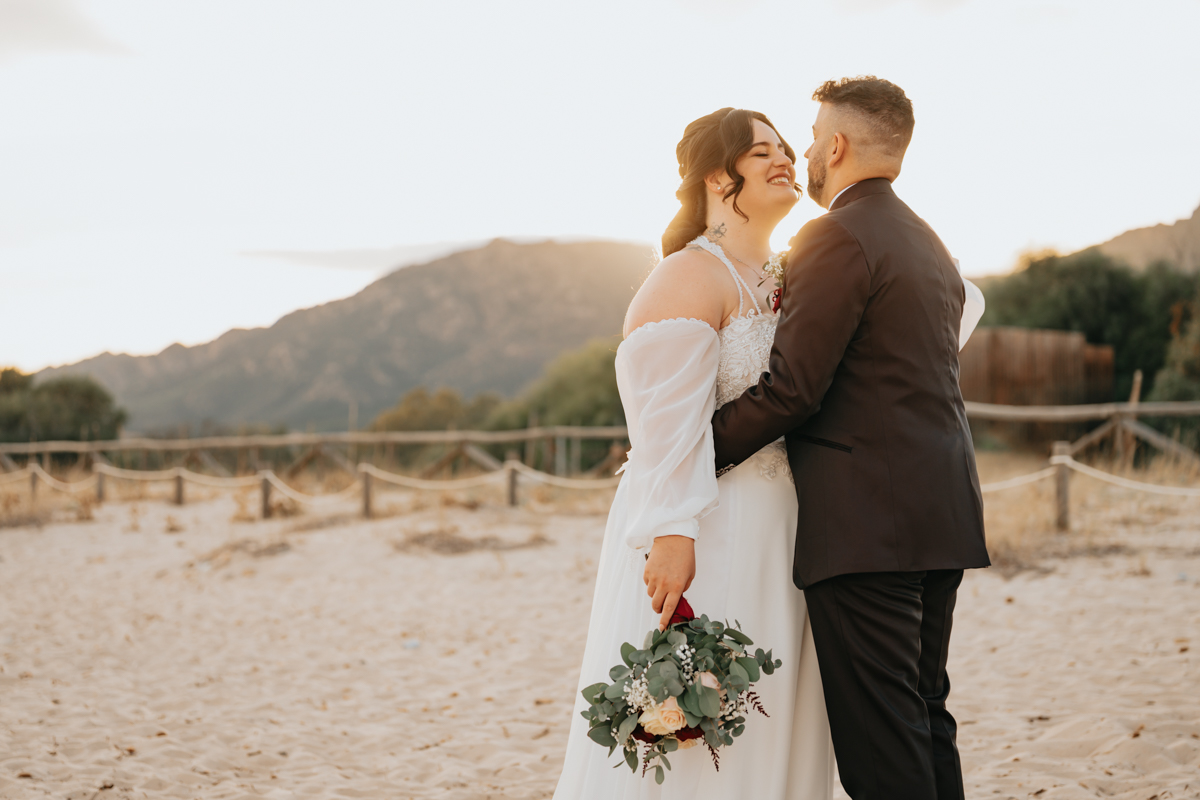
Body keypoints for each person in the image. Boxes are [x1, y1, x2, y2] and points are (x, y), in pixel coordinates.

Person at [706, 76, 990, 799]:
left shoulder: (835, 235)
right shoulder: (933, 245)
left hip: (867, 530)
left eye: (809, 139)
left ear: (836, 145)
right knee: (924, 718)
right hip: (942, 516)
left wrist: (691, 448)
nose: (803, 153)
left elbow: (794, 389)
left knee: (882, 746)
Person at [552, 107, 837, 799]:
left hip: (787, 528)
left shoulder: (778, 275)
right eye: (762, 151)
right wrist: (672, 532)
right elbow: (665, 429)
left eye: (786, 149)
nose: (785, 160)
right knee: (705, 717)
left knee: (773, 713)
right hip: (712, 526)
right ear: (718, 175)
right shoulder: (687, 277)